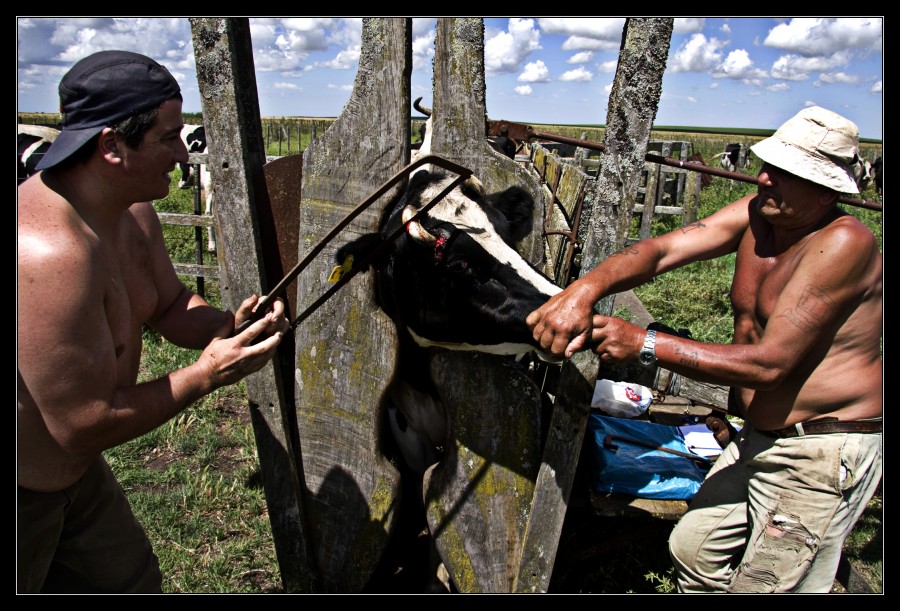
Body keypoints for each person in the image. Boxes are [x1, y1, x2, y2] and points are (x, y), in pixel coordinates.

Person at [526, 106, 882, 593]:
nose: (763, 178)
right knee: (693, 549)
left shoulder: (844, 243)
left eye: (785, 173)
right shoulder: (759, 213)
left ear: (827, 190)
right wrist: (583, 290)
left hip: (819, 446)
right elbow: (664, 250)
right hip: (759, 435)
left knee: (770, 584)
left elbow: (770, 364)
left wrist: (643, 342)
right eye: (768, 165)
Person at [17, 50, 291, 593]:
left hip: (77, 477)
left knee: (132, 581)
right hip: (26, 489)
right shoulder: (49, 254)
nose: (183, 157)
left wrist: (223, 326)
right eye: (168, 139)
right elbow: (80, 424)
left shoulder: (133, 212)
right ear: (112, 146)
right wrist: (204, 374)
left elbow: (166, 306)